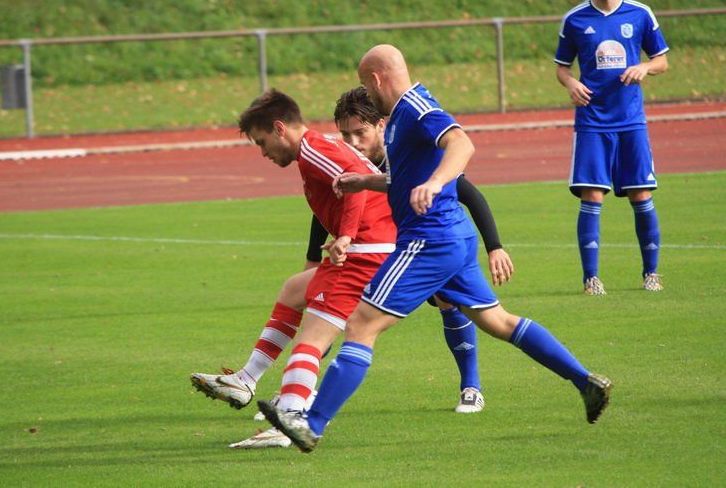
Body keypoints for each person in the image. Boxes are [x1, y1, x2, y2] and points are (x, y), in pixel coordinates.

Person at [259, 44, 612, 453]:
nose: (366, 94)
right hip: (453, 237)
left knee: (360, 324)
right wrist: (365, 182)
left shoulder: (415, 106)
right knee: (498, 321)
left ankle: (311, 424)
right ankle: (584, 381)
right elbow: (405, 178)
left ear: (376, 79)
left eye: (365, 86)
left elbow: (462, 144)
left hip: (429, 238)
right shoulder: (399, 117)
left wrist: (436, 182)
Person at [191, 88, 514, 449]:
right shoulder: (314, 150)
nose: (263, 152)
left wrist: (345, 236)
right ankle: (249, 380)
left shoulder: (316, 150)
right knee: (294, 290)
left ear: (280, 128)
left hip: (372, 248)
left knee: (317, 337)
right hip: (381, 243)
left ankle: (291, 418)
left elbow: (355, 180)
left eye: (262, 142)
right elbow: (342, 191)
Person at [554, 0, 669, 295]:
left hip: (631, 120)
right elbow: (562, 67)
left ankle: (651, 274)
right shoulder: (575, 19)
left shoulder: (640, 13)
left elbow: (662, 60)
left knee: (641, 193)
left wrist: (644, 68)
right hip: (592, 121)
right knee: (591, 194)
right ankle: (591, 279)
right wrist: (571, 84)